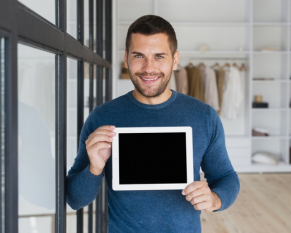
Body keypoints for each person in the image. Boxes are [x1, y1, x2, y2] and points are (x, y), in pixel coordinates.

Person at [67, 15, 240, 233]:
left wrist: (215, 199)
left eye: (159, 56)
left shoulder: (203, 116)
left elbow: (226, 177)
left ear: (175, 60)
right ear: (126, 59)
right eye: (139, 55)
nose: (149, 68)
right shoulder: (102, 117)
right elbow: (75, 199)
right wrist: (94, 168)